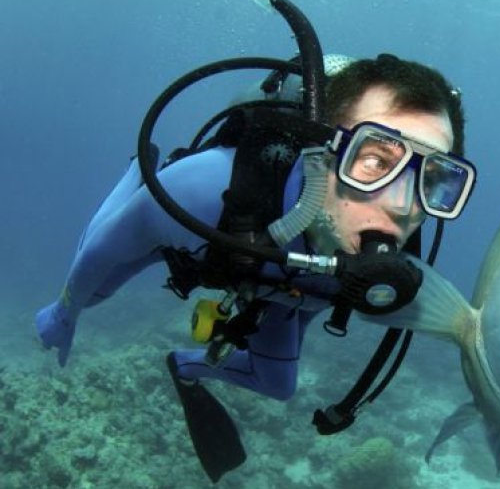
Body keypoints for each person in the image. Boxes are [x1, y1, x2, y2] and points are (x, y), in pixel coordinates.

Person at [34, 53, 476, 482]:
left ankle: (184, 366)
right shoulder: (202, 188)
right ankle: (136, 173)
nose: (401, 205)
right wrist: (63, 312)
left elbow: (308, 301)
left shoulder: (377, 254)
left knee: (279, 384)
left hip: (271, 285)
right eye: (376, 160)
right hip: (195, 244)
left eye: (434, 179)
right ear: (321, 152)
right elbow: (101, 252)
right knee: (94, 285)